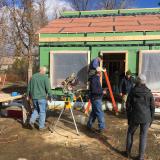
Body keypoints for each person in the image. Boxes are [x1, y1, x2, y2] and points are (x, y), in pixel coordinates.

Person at [125, 74, 155, 160]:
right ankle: (141, 157)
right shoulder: (149, 92)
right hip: (146, 118)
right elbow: (152, 107)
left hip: (135, 117)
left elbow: (127, 105)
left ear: (137, 81)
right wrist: (151, 119)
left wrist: (129, 117)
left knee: (130, 133)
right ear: (144, 82)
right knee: (143, 136)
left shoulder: (132, 91)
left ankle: (127, 153)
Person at [27, 66, 52, 131]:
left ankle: (31, 121)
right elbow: (48, 88)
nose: (46, 73)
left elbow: (29, 87)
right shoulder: (45, 77)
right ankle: (41, 126)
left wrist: (28, 95)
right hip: (41, 98)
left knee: (36, 110)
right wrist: (50, 96)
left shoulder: (33, 77)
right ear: (44, 71)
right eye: (46, 72)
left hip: (34, 97)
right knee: (42, 112)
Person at [87, 67, 107, 133]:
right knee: (100, 112)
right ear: (99, 72)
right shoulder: (95, 79)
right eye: (101, 72)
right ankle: (101, 128)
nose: (102, 74)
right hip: (96, 98)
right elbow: (94, 90)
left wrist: (102, 90)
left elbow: (96, 89)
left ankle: (89, 125)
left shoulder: (95, 78)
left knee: (94, 112)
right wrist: (102, 92)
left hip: (95, 98)